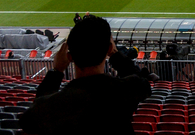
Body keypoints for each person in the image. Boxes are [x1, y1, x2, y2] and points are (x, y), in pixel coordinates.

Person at [18, 16, 152, 135]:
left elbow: (34, 115)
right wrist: (115, 55)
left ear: (68, 56)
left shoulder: (55, 105)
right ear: (109, 48)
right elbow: (140, 82)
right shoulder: (123, 91)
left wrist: (56, 71)